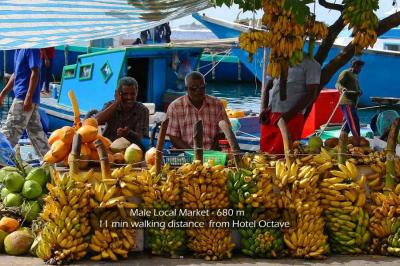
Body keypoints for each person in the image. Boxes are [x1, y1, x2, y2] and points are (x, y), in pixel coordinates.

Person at [260, 55, 321, 154]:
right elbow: (269, 86)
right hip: (270, 115)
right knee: (264, 155)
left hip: (291, 117)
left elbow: (311, 94)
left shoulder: (311, 64)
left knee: (285, 155)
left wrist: (288, 116)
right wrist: (264, 108)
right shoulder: (278, 61)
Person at [0, 49, 50, 158]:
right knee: (37, 133)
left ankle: (1, 159)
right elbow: (15, 74)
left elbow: (35, 71)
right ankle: (51, 160)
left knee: (10, 131)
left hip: (24, 98)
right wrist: (3, 94)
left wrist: (28, 97)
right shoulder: (18, 49)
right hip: (25, 97)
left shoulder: (30, 48)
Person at [166, 71, 230, 150]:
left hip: (212, 154)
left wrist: (211, 153)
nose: (198, 91)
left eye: (202, 87)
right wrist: (192, 154)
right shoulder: (175, 107)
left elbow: (222, 132)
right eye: (194, 88)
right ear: (186, 89)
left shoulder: (217, 104)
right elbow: (173, 136)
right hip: (185, 153)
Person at [96, 77, 149, 150]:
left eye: (132, 94)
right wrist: (117, 102)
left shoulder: (142, 110)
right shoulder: (110, 105)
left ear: (137, 92)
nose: (129, 97)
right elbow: (96, 121)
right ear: (118, 93)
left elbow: (143, 139)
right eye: (125, 94)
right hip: (107, 148)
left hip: (131, 151)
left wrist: (128, 133)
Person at [336, 58, 364, 144]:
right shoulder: (346, 73)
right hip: (347, 102)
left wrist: (359, 91)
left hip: (353, 103)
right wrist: (342, 88)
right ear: (354, 66)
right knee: (354, 121)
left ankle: (341, 141)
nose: (360, 70)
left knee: (347, 124)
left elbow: (356, 88)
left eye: (361, 68)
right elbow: (337, 83)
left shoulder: (355, 75)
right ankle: (358, 141)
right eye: (359, 68)